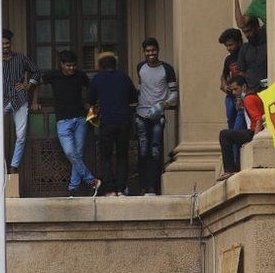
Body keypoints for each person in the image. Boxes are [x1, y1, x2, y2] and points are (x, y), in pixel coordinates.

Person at [42, 50, 99, 196]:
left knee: (78, 153)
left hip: (80, 118)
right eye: (68, 65)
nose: (71, 68)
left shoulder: (80, 75)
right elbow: (36, 81)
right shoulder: (53, 75)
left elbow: (92, 89)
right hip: (62, 120)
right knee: (70, 152)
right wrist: (35, 101)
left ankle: (73, 187)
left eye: (73, 65)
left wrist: (89, 105)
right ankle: (91, 180)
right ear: (61, 65)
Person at [0, 29, 41, 174]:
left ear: (11, 43)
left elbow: (36, 71)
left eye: (7, 43)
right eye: (2, 44)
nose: (5, 46)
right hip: (2, 99)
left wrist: (28, 85)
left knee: (20, 135)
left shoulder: (21, 58)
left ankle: (14, 166)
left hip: (20, 98)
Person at [87, 52, 136, 197]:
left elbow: (90, 99)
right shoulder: (124, 77)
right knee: (122, 156)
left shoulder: (98, 79)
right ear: (115, 64)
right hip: (124, 122)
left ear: (101, 65)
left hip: (107, 122)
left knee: (105, 156)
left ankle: (109, 190)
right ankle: (121, 189)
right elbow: (133, 96)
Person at [135, 37, 179, 196]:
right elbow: (141, 88)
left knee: (155, 151)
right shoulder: (140, 67)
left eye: (153, 50)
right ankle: (144, 186)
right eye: (147, 51)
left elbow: (174, 94)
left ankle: (154, 186)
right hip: (141, 115)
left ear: (158, 50)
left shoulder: (167, 69)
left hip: (157, 115)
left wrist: (163, 105)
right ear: (144, 52)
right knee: (143, 151)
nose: (150, 53)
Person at [216, 75, 264, 180]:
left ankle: (229, 170)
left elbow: (259, 119)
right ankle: (236, 167)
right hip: (253, 130)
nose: (233, 92)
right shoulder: (249, 98)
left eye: (235, 89)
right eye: (232, 90)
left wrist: (255, 141)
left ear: (244, 87)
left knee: (224, 135)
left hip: (254, 132)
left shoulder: (248, 99)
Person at [236, 17, 268, 90]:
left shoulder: (269, 45)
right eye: (244, 32)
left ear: (257, 28)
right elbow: (240, 71)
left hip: (268, 88)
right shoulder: (245, 48)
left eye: (249, 31)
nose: (247, 35)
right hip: (251, 90)